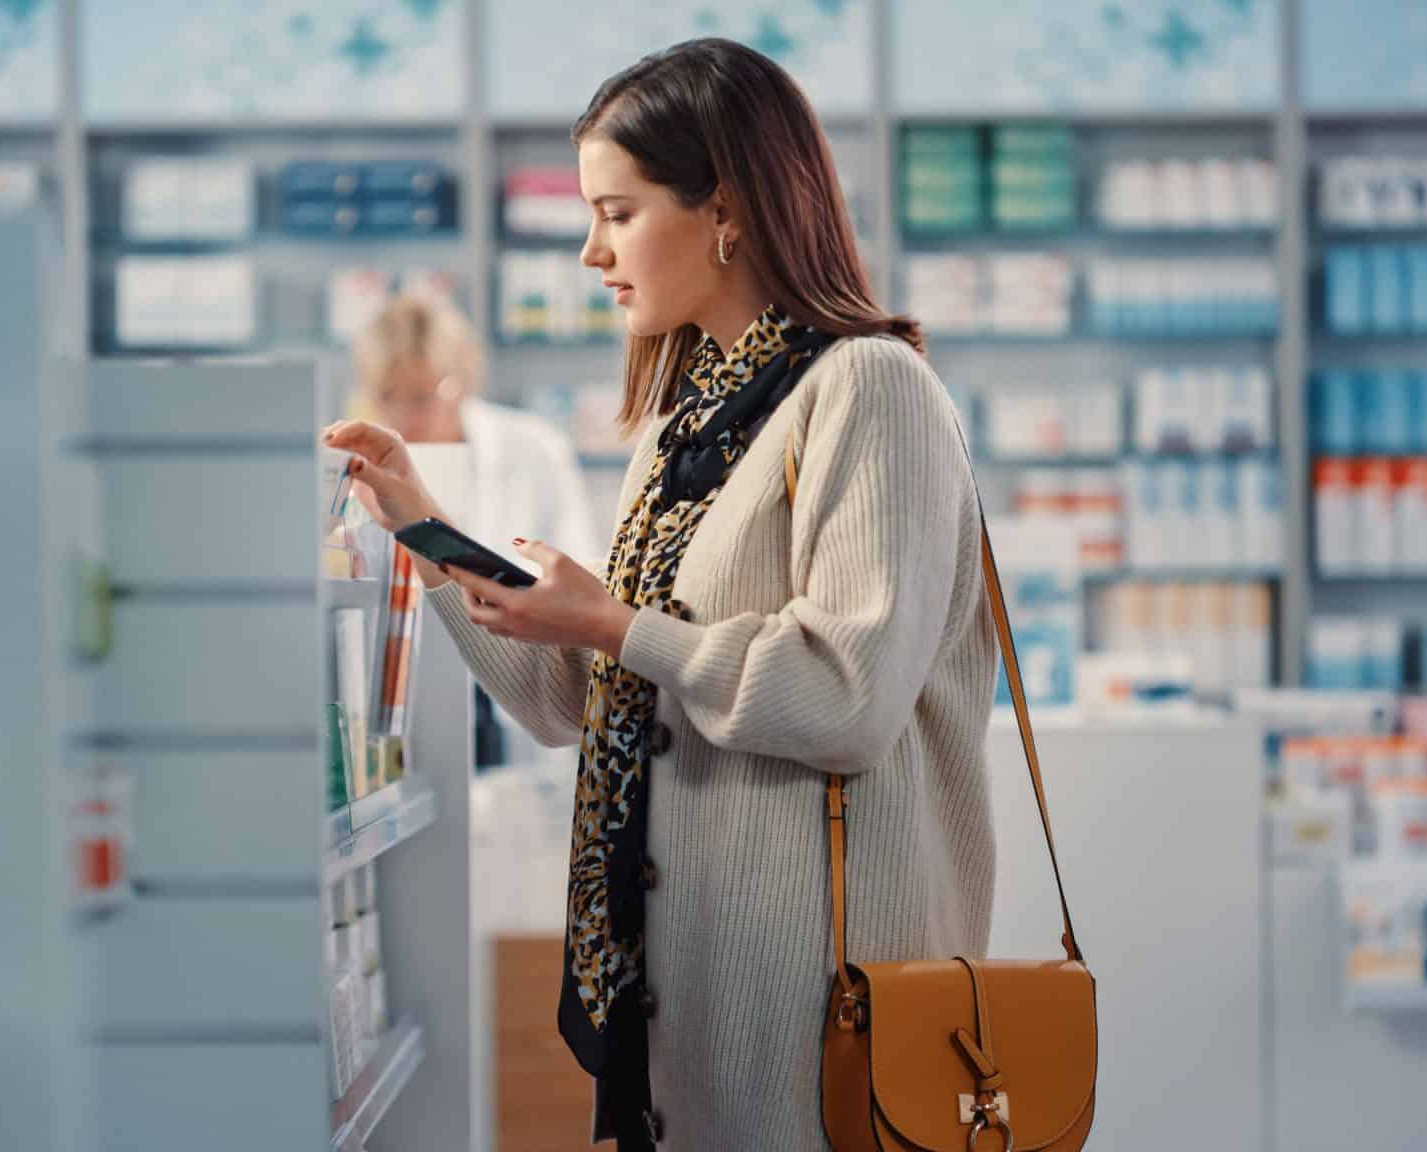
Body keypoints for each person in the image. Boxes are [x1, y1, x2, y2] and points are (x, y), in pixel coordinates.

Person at [326, 38, 997, 1150]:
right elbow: (568, 698)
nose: (591, 251)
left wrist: (613, 622)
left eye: (618, 212)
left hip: (824, 1001)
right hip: (683, 992)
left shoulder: (869, 390)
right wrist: (420, 526)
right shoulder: (681, 428)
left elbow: (846, 695)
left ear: (724, 210)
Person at [349, 294, 600, 767]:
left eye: (424, 395)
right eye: (389, 396)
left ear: (462, 381)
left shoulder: (533, 449)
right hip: (409, 697)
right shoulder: (358, 469)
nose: (408, 415)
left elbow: (578, 575)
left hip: (521, 709)